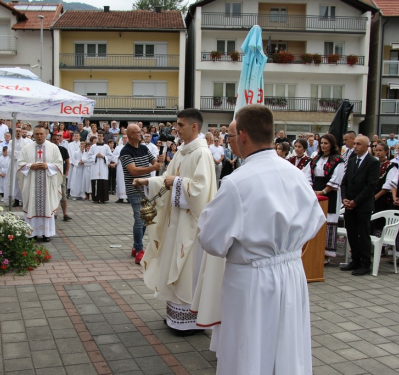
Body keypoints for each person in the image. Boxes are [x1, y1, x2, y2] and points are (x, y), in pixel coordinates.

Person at [197, 104, 325, 375]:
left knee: (250, 349)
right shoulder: (295, 173)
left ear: (242, 135)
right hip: (291, 272)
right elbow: (315, 221)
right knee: (287, 345)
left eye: (231, 138)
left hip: (252, 278)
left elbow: (210, 239)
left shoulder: (237, 182)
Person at [133, 108, 216, 333]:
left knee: (187, 269)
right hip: (174, 220)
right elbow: (166, 179)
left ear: (194, 127)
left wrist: (177, 182)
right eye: (176, 124)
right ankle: (174, 316)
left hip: (190, 224)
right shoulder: (181, 152)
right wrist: (147, 182)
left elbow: (201, 190)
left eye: (180, 125)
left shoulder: (202, 154)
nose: (175, 128)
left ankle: (190, 321)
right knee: (172, 264)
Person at [120, 124, 163, 263]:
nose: (141, 134)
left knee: (145, 219)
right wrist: (153, 167)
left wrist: (159, 161)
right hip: (135, 189)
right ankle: (139, 249)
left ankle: (135, 247)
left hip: (148, 188)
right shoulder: (125, 151)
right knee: (139, 220)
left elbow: (154, 161)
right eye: (139, 132)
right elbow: (133, 171)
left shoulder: (144, 147)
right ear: (131, 134)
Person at [340, 135, 380, 275]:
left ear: (366, 146)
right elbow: (344, 182)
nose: (355, 146)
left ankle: (365, 263)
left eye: (358, 144)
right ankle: (355, 260)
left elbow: (371, 186)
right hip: (349, 204)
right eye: (355, 143)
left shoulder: (373, 162)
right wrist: (344, 198)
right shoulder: (351, 161)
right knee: (351, 233)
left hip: (362, 206)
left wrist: (355, 202)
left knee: (363, 234)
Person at [17, 125, 63, 242]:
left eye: (41, 134)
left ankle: (46, 233)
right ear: (33, 135)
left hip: (47, 184)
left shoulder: (53, 147)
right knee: (31, 205)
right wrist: (30, 166)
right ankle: (30, 233)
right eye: (36, 134)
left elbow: (59, 163)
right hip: (32, 183)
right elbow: (19, 163)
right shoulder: (26, 148)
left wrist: (48, 166)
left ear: (46, 134)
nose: (39, 136)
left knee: (47, 205)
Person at [310, 134, 344, 260]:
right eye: (321, 143)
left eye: (326, 143)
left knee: (328, 221)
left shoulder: (338, 160)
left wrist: (323, 192)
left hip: (330, 193)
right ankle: (315, 250)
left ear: (332, 145)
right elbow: (308, 174)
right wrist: (311, 189)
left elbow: (336, 178)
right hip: (315, 192)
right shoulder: (316, 159)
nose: (323, 146)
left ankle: (326, 254)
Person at [372, 143, 398, 237]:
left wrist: (376, 196)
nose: (378, 153)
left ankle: (381, 244)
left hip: (383, 198)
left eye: (380, 150)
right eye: (376, 150)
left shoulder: (391, 166)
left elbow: (389, 185)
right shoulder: (373, 164)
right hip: (371, 195)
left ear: (386, 152)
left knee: (380, 220)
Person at [51, 133, 72, 221]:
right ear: (51, 140)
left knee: (63, 195)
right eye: (54, 139)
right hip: (51, 175)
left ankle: (64, 214)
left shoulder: (63, 149)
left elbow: (67, 162)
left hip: (61, 175)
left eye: (57, 139)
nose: (56, 141)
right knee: (52, 195)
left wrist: (66, 173)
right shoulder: (49, 150)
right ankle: (53, 213)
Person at [88, 132, 112, 203]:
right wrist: (95, 156)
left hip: (103, 167)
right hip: (95, 167)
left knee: (103, 181)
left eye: (100, 136)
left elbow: (110, 156)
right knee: (95, 181)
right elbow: (89, 156)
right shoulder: (93, 146)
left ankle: (103, 198)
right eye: (98, 136)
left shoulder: (106, 147)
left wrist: (103, 157)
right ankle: (95, 198)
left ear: (103, 137)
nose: (99, 137)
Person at [112, 134, 128, 203]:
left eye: (126, 138)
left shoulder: (132, 146)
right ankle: (120, 197)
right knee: (119, 181)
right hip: (120, 166)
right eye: (123, 138)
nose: (125, 139)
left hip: (128, 166)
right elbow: (113, 156)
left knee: (127, 181)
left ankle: (128, 197)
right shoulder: (118, 147)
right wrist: (118, 157)